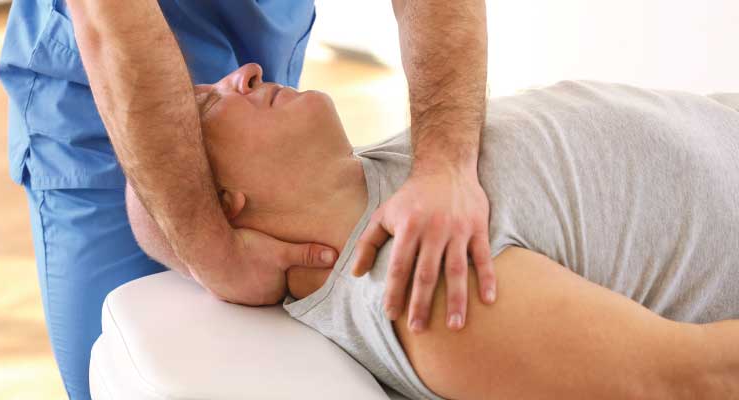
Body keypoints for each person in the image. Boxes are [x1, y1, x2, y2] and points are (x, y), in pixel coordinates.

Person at [127, 64, 739, 399]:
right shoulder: (422, 286)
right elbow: (698, 381)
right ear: (227, 208)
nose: (247, 72)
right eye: (211, 105)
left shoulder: (378, 178)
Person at [0, 1, 494, 398]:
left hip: (253, 59)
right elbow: (111, 16)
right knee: (115, 368)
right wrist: (209, 246)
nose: (249, 73)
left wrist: (445, 165)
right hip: (99, 103)